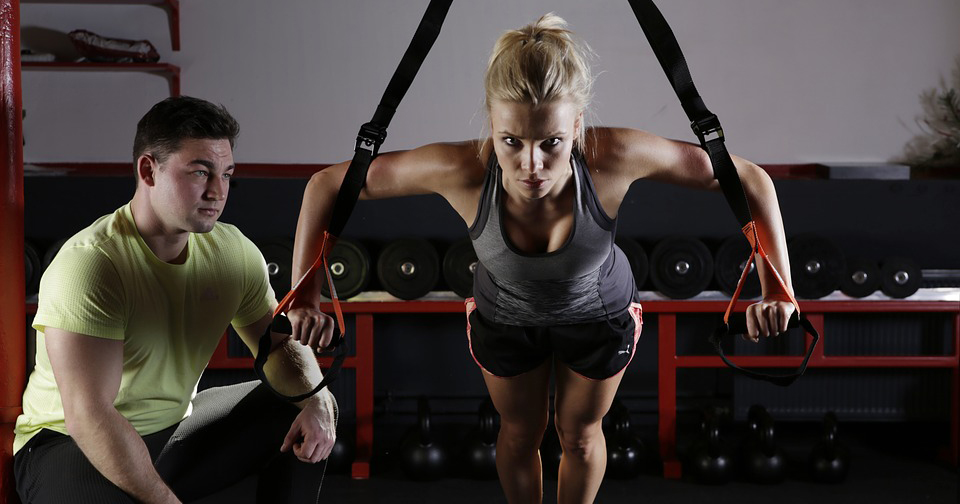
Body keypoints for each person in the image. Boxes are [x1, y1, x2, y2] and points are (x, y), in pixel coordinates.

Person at [289, 13, 795, 504]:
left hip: (598, 316)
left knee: (578, 436)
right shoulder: (462, 169)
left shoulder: (612, 157)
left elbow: (748, 179)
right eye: (512, 141)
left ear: (577, 125)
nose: (531, 165)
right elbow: (328, 185)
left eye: (551, 143)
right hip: (506, 318)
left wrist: (779, 289)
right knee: (518, 434)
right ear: (492, 123)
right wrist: (304, 295)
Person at [13, 96, 338, 504]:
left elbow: (279, 348)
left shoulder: (233, 251)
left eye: (226, 174)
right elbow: (89, 416)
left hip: (172, 432)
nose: (218, 191)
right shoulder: (93, 264)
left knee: (304, 404)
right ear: (148, 170)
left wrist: (318, 400)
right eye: (200, 173)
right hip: (68, 444)